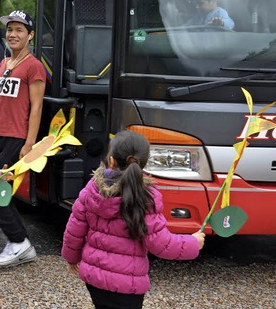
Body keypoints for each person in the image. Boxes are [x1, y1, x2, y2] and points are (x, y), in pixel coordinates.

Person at [61, 130, 206, 309]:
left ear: (111, 160)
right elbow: (162, 244)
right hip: (127, 285)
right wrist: (193, 242)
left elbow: (74, 229)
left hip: (95, 279)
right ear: (143, 163)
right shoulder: (145, 197)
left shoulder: (92, 189)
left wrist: (71, 258)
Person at [0, 10, 46, 267]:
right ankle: (18, 243)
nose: (13, 34)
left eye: (19, 30)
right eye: (10, 29)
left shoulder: (34, 66)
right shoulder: (4, 64)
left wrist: (29, 144)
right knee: (0, 192)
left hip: (16, 138)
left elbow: (37, 107)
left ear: (30, 35)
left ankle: (20, 242)